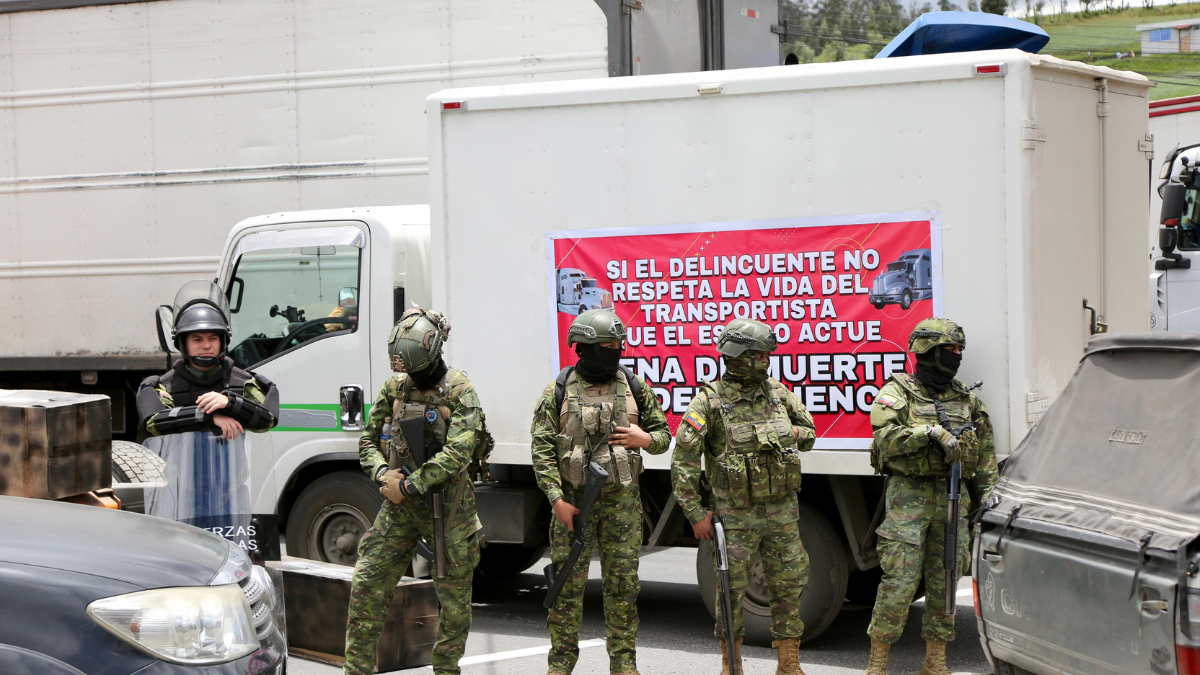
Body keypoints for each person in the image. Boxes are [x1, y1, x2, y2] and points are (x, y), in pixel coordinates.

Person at [344, 308, 491, 675]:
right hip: (399, 505)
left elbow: (458, 452)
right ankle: (356, 669)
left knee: (454, 604)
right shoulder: (395, 387)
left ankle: (445, 671)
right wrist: (383, 474)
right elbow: (367, 438)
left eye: (416, 369)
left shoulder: (460, 390)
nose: (411, 377)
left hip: (449, 508)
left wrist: (410, 484)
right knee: (367, 582)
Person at [529, 309, 671, 675]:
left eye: (617, 346)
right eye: (607, 346)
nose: (615, 352)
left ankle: (624, 666)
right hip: (573, 506)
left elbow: (665, 436)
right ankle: (560, 665)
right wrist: (556, 500)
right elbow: (542, 449)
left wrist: (647, 438)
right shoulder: (558, 390)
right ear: (585, 348)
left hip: (622, 506)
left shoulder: (635, 387)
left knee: (623, 590)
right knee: (566, 591)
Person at [672, 318, 815, 675]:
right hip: (735, 517)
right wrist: (694, 513)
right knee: (730, 593)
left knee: (789, 585)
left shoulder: (779, 393)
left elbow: (810, 433)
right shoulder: (709, 401)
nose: (767, 361)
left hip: (782, 512)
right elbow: (684, 460)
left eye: (767, 355)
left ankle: (789, 663)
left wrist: (790, 431)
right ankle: (730, 665)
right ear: (740, 356)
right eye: (761, 355)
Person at [863, 318, 998, 675]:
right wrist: (930, 432)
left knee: (946, 581)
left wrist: (987, 500)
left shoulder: (966, 398)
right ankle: (877, 663)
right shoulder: (899, 392)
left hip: (953, 501)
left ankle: (935, 660)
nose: (957, 356)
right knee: (900, 582)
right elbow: (884, 440)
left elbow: (984, 456)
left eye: (959, 350)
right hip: (909, 499)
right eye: (950, 350)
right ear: (929, 352)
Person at [137, 280, 279, 440]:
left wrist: (229, 402)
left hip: (233, 464)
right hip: (181, 464)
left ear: (222, 342)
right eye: (197, 339)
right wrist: (210, 417)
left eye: (213, 338)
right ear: (183, 344)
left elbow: (267, 420)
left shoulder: (245, 383)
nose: (206, 345)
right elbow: (154, 423)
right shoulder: (164, 387)